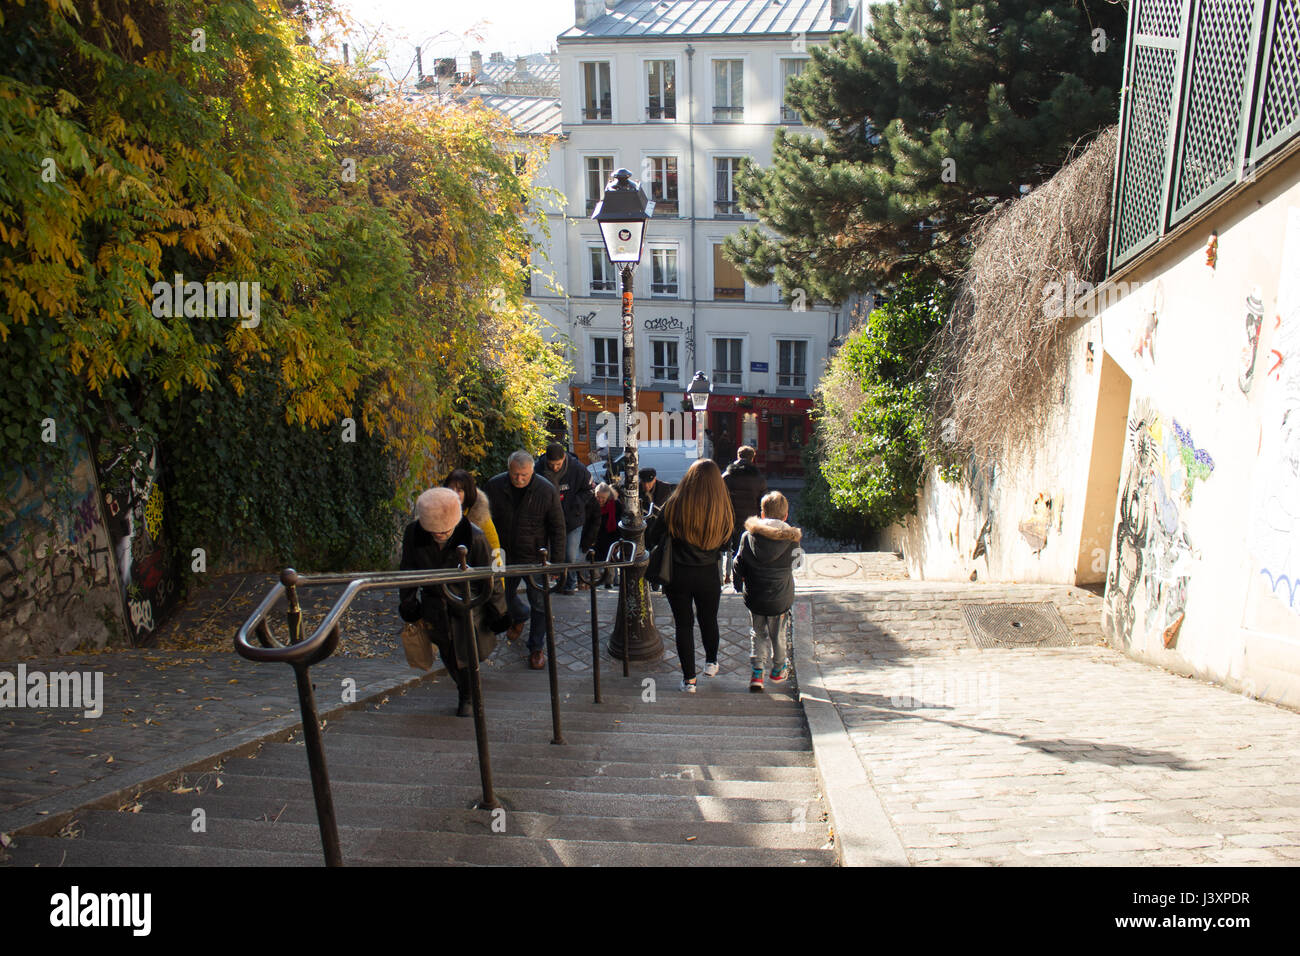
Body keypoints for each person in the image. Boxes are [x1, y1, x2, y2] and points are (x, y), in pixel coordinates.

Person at [398, 488, 506, 716]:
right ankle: (464, 690)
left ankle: (468, 696)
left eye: (446, 531)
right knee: (448, 653)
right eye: (435, 532)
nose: (441, 535)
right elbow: (407, 570)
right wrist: (408, 602)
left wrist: (499, 611)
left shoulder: (474, 536)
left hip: (467, 604)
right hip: (435, 606)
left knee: (467, 654)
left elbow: (490, 576)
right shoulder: (414, 534)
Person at [645, 458, 733, 693]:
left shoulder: (674, 504)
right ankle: (712, 662)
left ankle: (689, 680)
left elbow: (653, 537)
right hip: (708, 575)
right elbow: (726, 544)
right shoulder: (722, 508)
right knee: (709, 619)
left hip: (678, 573)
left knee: (683, 625)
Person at [485, 450, 566, 670]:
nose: (519, 479)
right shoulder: (494, 486)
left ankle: (536, 647)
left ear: (532, 471)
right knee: (500, 597)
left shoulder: (546, 489)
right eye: (515, 474)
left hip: (534, 554)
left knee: (540, 603)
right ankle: (520, 615)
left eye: (524, 475)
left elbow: (557, 527)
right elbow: (485, 521)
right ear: (508, 470)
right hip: (501, 554)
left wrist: (557, 563)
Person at [731, 491, 801, 693]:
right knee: (778, 633)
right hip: (780, 596)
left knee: (758, 633)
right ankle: (779, 668)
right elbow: (797, 563)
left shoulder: (748, 536)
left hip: (755, 595)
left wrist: (741, 578)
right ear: (785, 515)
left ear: (762, 514)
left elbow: (739, 563)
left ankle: (757, 673)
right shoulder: (792, 539)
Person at [537, 442, 594, 595]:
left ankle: (570, 583)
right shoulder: (538, 469)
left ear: (564, 459)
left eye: (558, 464)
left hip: (572, 518)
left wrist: (576, 504)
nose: (555, 468)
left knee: (570, 554)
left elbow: (589, 489)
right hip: (550, 519)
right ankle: (559, 581)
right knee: (555, 552)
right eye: (551, 465)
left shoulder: (577, 469)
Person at [722, 446, 767, 582]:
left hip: (730, 518)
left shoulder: (727, 477)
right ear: (752, 458)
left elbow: (720, 498)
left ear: (738, 456)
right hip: (750, 521)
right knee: (747, 550)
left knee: (731, 549)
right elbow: (763, 503)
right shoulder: (759, 478)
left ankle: (732, 578)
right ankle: (745, 578)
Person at [444, 469, 499, 555]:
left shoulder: (481, 517)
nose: (454, 494)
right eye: (450, 489)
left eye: (459, 490)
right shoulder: (436, 513)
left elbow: (495, 549)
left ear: (467, 492)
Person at [584, 482, 624, 589]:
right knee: (593, 559)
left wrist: (618, 542)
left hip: (610, 536)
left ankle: (609, 581)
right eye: (598, 497)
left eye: (603, 498)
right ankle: (594, 581)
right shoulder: (591, 503)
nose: (600, 500)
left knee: (609, 559)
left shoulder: (616, 505)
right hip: (595, 536)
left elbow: (620, 523)